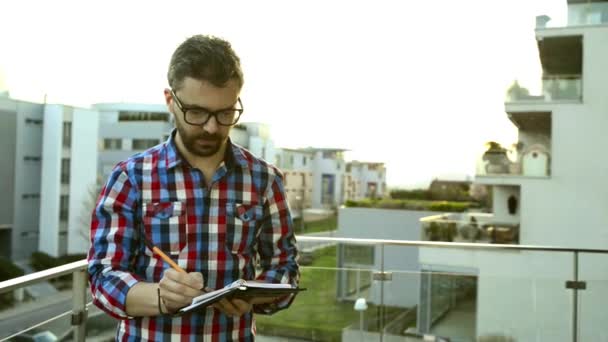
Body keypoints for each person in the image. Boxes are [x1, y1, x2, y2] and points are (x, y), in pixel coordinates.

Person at [88, 34, 300, 341]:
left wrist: (256, 296)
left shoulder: (265, 180)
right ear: (170, 101)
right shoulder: (130, 177)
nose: (212, 127)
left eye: (225, 113)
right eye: (197, 112)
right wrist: (160, 296)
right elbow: (102, 278)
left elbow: (285, 267)